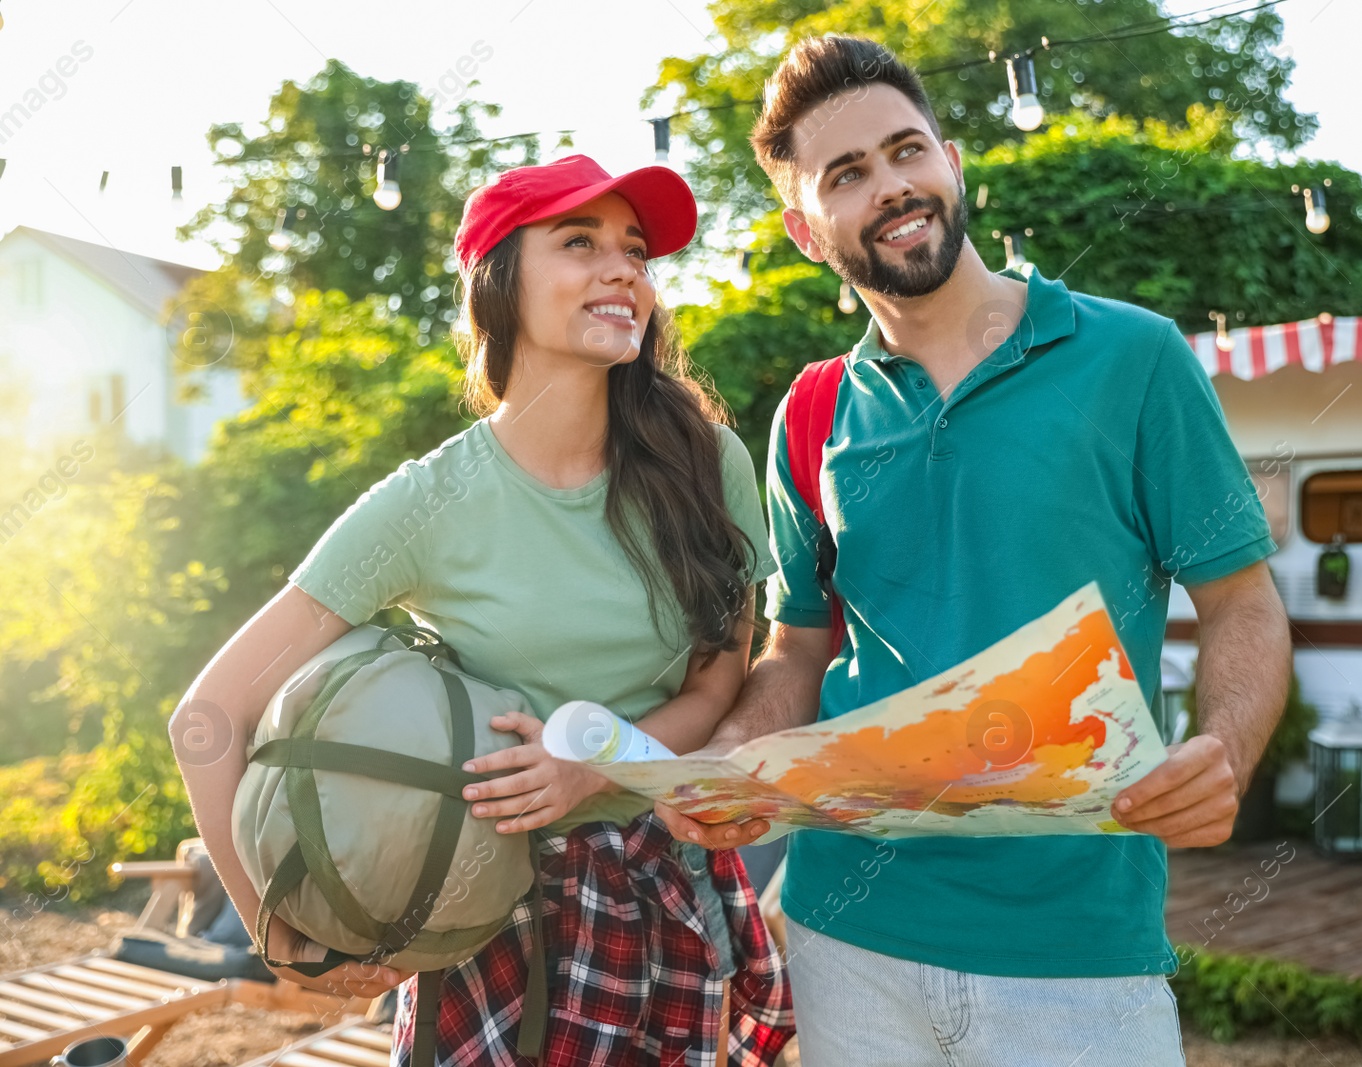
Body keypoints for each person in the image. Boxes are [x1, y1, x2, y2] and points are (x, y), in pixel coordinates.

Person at [652, 36, 1294, 1067]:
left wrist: (1223, 745)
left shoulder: (1133, 358)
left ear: (952, 162)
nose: (892, 186)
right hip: (845, 931)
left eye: (907, 150)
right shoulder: (812, 413)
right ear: (804, 230)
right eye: (847, 174)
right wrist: (736, 756)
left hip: (1077, 946)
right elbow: (796, 649)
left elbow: (1240, 600)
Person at [171, 154, 794, 1067]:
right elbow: (207, 716)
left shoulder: (707, 462)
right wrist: (283, 931)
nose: (623, 268)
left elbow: (720, 676)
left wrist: (592, 758)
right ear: (499, 282)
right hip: (484, 918)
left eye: (635, 250)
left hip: (670, 892)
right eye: (579, 242)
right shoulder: (426, 501)